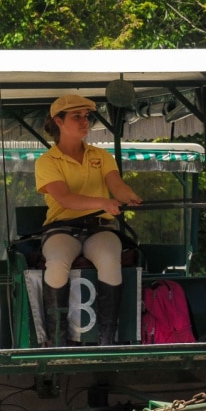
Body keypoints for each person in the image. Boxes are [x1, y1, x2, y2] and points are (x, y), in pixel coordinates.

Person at [34, 94, 142, 346]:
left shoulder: (101, 156)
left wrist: (131, 197)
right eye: (77, 117)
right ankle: (57, 339)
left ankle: (107, 338)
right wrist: (103, 203)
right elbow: (65, 199)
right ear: (58, 121)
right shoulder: (47, 161)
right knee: (58, 261)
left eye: (86, 117)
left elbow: (117, 186)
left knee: (109, 259)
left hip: (99, 229)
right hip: (60, 230)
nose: (85, 122)